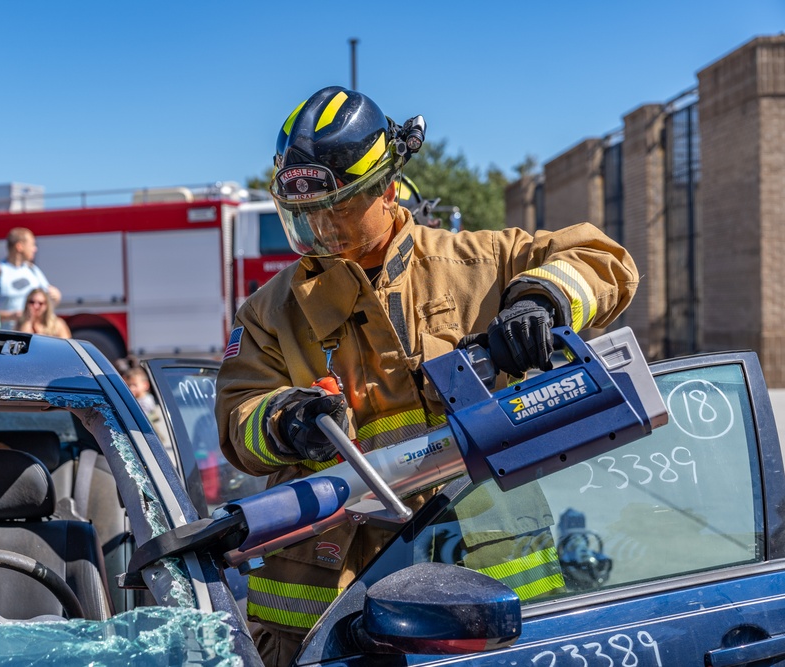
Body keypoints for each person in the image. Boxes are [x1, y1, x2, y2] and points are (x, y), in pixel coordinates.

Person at [214, 85, 640, 666]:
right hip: (325, 619)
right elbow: (239, 419)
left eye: (336, 210)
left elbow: (604, 259)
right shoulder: (270, 312)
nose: (320, 231)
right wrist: (285, 421)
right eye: (306, 215)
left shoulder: (478, 265)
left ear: (387, 190)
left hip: (491, 607)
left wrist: (543, 299)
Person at [0, 227, 61, 330]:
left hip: (32, 336)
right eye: (32, 245)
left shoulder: (33, 270)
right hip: (5, 338)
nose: (35, 249)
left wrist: (56, 296)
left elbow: (47, 300)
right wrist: (10, 316)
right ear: (19, 247)